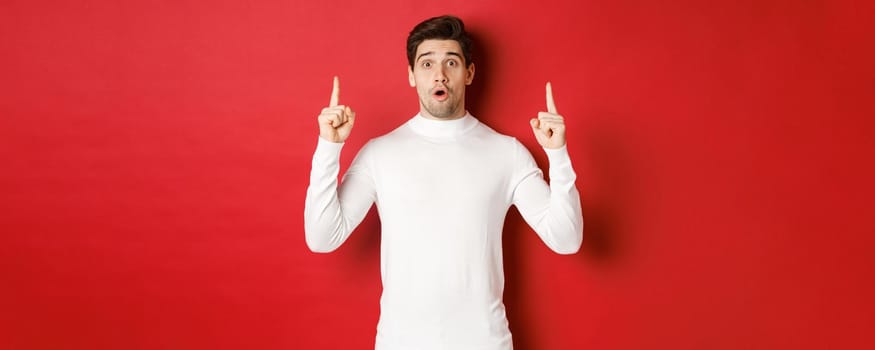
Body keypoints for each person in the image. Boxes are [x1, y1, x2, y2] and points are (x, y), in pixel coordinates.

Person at [304, 15, 583, 350]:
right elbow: (322, 238)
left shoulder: (506, 153)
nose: (439, 74)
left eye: (451, 62)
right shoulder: (379, 154)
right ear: (412, 75)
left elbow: (566, 240)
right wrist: (328, 147)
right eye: (427, 63)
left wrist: (558, 155)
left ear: (468, 73)